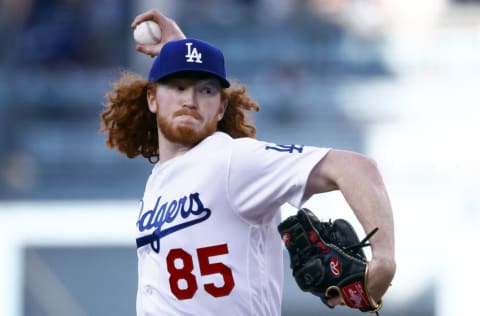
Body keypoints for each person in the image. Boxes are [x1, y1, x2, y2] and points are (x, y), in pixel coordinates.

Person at [100, 9, 396, 316]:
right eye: (177, 86)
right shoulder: (163, 178)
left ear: (220, 107)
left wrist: (384, 259)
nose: (190, 99)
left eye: (206, 90)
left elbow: (357, 168)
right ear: (151, 99)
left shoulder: (232, 161)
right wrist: (183, 52)